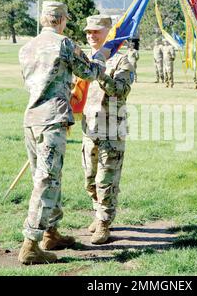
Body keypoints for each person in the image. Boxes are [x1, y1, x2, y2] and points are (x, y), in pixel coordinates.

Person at [17, 1, 106, 265]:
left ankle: (51, 233)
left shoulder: (26, 47)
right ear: (62, 20)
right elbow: (88, 72)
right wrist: (101, 57)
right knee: (46, 181)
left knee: (45, 177)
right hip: (51, 120)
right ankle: (31, 244)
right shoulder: (63, 43)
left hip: (31, 119)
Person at [81, 15, 134, 245]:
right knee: (90, 179)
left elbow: (121, 90)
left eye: (96, 31)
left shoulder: (123, 60)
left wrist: (99, 70)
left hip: (111, 129)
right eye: (88, 32)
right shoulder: (84, 58)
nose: (91, 35)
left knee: (106, 180)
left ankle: (104, 222)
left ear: (108, 33)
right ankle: (98, 211)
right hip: (89, 128)